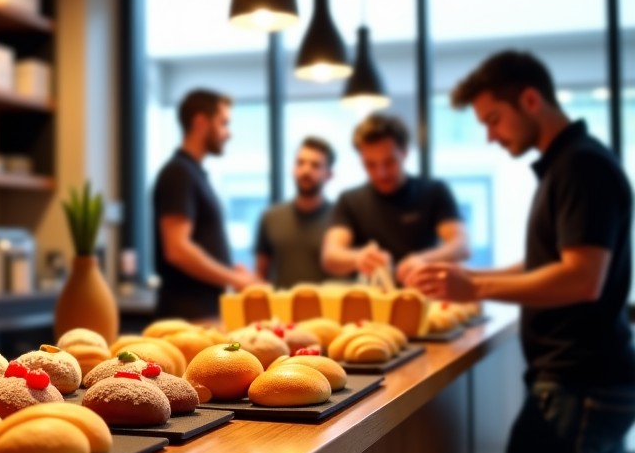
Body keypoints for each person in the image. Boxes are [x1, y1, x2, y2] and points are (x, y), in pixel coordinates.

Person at [404, 49, 635, 453]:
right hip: (595, 381)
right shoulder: (570, 164)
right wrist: (468, 279)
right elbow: (548, 263)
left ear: (530, 100)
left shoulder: (580, 166)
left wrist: (475, 284)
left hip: (579, 384)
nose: (490, 136)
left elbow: (582, 277)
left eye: (493, 119)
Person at [320, 111, 471, 286]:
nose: (381, 173)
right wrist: (358, 258)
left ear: (404, 152)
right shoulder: (349, 200)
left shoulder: (434, 191)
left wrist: (423, 259)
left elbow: (462, 245)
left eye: (389, 162)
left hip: (423, 294)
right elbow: (330, 255)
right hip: (372, 298)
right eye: (370, 164)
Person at [152, 87, 261, 320]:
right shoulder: (179, 173)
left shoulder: (191, 172)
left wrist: (230, 271)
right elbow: (177, 249)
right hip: (188, 315)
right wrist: (235, 279)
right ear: (201, 121)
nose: (228, 133)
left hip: (199, 312)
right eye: (223, 123)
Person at [254, 135, 338, 286]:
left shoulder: (340, 220)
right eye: (300, 163)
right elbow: (260, 275)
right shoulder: (270, 217)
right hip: (281, 301)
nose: (306, 170)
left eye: (315, 165)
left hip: (327, 301)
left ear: (329, 175)